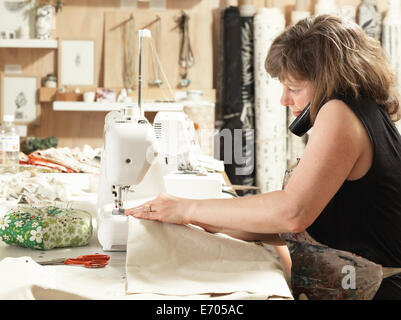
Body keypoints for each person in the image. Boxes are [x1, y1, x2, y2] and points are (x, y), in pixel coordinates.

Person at [126, 15, 401, 300]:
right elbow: (305, 225)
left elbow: (291, 213)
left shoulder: (340, 112)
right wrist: (210, 220)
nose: (284, 100)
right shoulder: (362, 112)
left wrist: (187, 208)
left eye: (293, 89)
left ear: (329, 81)